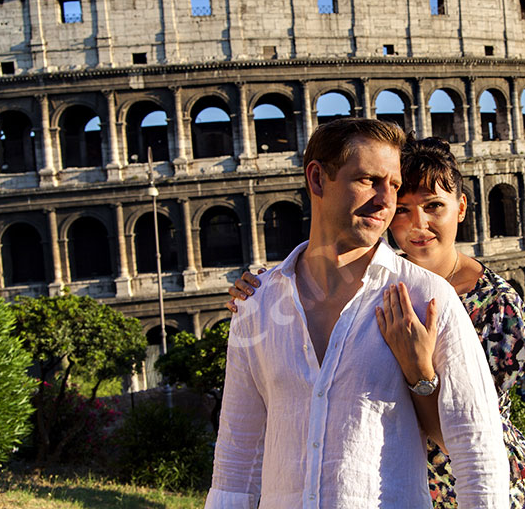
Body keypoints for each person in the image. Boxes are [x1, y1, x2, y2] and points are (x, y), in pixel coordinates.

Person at [207, 119, 508, 509]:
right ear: (317, 179)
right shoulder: (258, 305)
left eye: (394, 185)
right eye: (368, 180)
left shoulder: (426, 298)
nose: (387, 201)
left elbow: (477, 449)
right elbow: (237, 458)